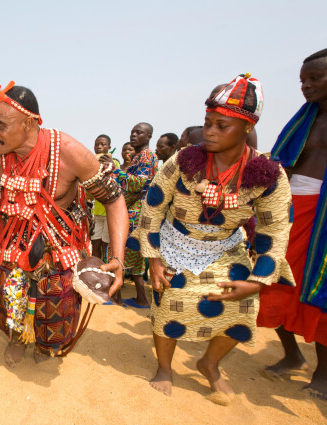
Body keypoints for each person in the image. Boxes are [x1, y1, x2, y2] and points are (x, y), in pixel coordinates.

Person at [133, 74, 292, 405]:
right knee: (169, 304)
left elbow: (275, 229)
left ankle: (210, 364)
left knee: (243, 308)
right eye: (208, 123)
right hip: (175, 241)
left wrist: (260, 279)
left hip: (226, 247)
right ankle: (164, 368)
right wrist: (155, 259)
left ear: (247, 128)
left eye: (222, 126)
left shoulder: (267, 173)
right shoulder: (184, 160)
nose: (210, 131)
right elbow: (153, 206)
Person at [0, 81, 128, 366]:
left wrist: (117, 257)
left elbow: (115, 200)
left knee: (55, 310)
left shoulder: (68, 151)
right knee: (9, 301)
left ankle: (45, 346)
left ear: (29, 123)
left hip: (60, 247)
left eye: (0, 125)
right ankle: (16, 339)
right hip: (12, 246)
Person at [257, 49, 327, 400]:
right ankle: (291, 354)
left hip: (322, 214)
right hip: (287, 209)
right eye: (303, 79)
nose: (306, 86)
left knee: (318, 291)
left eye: (315, 78)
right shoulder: (303, 120)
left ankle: (323, 374)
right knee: (273, 281)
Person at [112, 122, 158, 307]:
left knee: (117, 251)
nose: (134, 135)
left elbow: (138, 183)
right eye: (132, 132)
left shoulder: (146, 156)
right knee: (135, 255)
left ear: (148, 137)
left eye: (139, 132)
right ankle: (141, 298)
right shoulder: (142, 156)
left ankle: (116, 297)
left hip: (134, 211)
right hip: (139, 209)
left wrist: (114, 172)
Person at [91, 134, 120, 260]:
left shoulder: (114, 163)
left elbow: (117, 181)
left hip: (109, 211)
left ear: (109, 147)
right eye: (97, 144)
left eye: (102, 144)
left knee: (106, 244)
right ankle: (95, 268)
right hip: (96, 211)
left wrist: (109, 166)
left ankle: (106, 271)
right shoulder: (91, 162)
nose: (99, 147)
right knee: (95, 242)